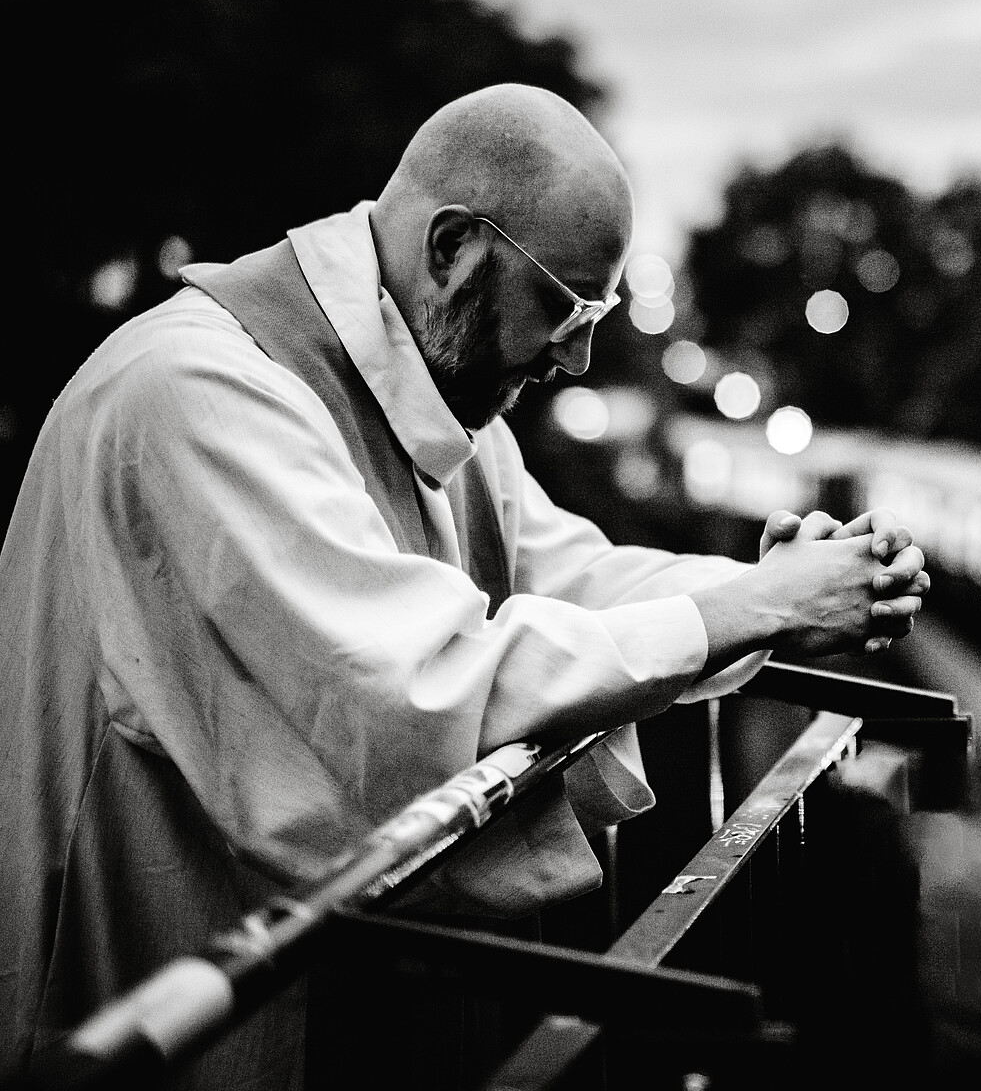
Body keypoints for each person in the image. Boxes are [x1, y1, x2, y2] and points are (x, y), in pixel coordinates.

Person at [0, 84, 928, 1088]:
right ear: (451, 249)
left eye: (597, 312)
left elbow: (570, 578)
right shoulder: (190, 396)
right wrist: (752, 608)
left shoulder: (435, 402)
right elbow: (408, 691)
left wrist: (767, 586)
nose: (577, 356)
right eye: (565, 306)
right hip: (135, 1024)